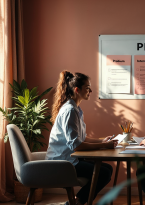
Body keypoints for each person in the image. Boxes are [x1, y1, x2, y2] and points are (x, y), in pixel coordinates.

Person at [45, 71, 118, 205]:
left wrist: (101, 141)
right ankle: (77, 202)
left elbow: (80, 138)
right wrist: (104, 146)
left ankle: (76, 202)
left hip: (70, 159)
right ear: (77, 90)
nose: (91, 90)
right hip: (63, 162)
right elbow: (77, 145)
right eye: (87, 87)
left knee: (107, 169)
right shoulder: (70, 111)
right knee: (104, 173)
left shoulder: (76, 109)